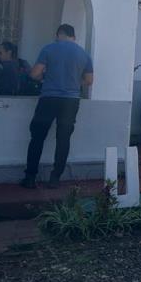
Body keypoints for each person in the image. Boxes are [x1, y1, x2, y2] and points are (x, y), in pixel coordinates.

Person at [20, 24, 93, 189]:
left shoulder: (49, 49)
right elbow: (89, 81)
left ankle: (30, 177)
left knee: (37, 138)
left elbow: (34, 74)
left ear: (59, 34)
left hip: (49, 98)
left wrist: (43, 79)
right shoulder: (84, 54)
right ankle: (55, 178)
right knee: (63, 139)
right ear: (73, 36)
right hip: (71, 100)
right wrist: (74, 83)